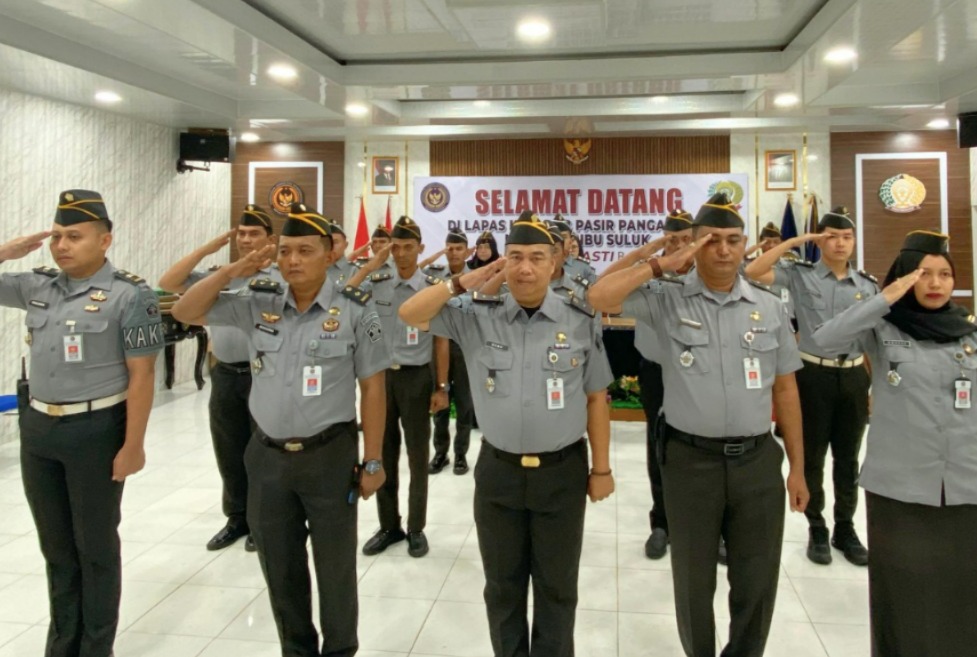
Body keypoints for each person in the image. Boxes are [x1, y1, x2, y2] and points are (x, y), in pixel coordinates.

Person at [588, 193, 809, 657]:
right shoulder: (666, 299)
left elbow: (786, 391)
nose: (723, 250)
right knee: (693, 578)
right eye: (711, 241)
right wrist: (660, 265)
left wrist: (798, 468)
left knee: (757, 578)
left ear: (745, 244)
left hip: (756, 462)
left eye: (732, 240)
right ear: (695, 246)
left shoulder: (767, 307)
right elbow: (597, 295)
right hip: (691, 462)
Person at [171, 202, 388, 657]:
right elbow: (187, 309)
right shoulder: (258, 303)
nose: (292, 261)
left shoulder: (354, 310)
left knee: (335, 570)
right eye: (285, 251)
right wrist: (239, 266)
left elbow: (372, 389)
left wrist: (373, 459)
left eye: (304, 251)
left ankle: (340, 650)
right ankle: (297, 649)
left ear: (330, 254)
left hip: (329, 456)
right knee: (281, 569)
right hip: (267, 458)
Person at [399, 210, 614, 657]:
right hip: (498, 473)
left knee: (558, 589)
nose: (525, 268)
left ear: (555, 263)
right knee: (502, 588)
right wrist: (461, 282)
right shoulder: (477, 314)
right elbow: (409, 313)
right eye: (515, 256)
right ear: (502, 261)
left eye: (537, 257)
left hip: (562, 473)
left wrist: (602, 469)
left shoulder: (579, 317)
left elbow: (597, 397)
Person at [0, 189, 163, 657]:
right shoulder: (37, 286)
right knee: (56, 548)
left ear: (105, 240)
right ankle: (62, 643)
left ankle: (96, 647)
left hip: (96, 431)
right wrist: (6, 252)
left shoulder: (132, 295)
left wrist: (134, 444)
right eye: (55, 237)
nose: (61, 246)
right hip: (40, 430)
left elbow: (143, 375)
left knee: (94, 548)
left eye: (74, 236)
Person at [812, 230, 977, 657]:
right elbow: (823, 341)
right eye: (924, 274)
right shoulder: (882, 329)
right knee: (903, 598)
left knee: (962, 595)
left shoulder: (968, 334)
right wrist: (883, 300)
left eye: (944, 274)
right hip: (900, 491)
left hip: (965, 488)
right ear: (904, 277)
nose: (936, 283)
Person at [745, 206, 877, 566]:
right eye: (831, 236)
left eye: (846, 237)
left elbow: (872, 341)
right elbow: (752, 271)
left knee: (849, 459)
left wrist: (874, 388)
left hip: (852, 376)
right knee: (813, 456)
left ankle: (845, 528)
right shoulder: (800, 274)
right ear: (819, 240)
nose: (839, 243)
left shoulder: (867, 285)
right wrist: (796, 242)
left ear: (854, 242)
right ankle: (816, 526)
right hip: (811, 375)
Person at [158, 203, 280, 553]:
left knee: (262, 453)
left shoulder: (280, 278)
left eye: (254, 233)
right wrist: (208, 250)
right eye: (240, 233)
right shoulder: (219, 276)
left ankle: (262, 520)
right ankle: (237, 518)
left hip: (264, 375)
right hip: (225, 374)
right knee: (228, 450)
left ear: (269, 239)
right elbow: (169, 284)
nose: (245, 239)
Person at [598, 208, 694, 560]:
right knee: (659, 446)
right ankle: (661, 523)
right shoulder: (648, 277)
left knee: (702, 448)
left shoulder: (707, 276)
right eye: (672, 240)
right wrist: (644, 257)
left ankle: (707, 526)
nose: (680, 246)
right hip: (656, 371)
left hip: (699, 373)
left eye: (686, 239)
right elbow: (600, 289)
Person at [359, 215, 449, 558]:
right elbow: (345, 296)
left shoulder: (432, 287)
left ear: (420, 248)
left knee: (416, 455)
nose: (401, 253)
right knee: (382, 454)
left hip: (415, 378)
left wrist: (441, 387)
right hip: (381, 379)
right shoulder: (378, 282)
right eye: (395, 247)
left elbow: (440, 342)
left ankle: (415, 528)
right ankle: (388, 526)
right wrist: (371, 264)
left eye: (408, 247)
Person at [424, 229, 477, 476]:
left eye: (458, 248)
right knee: (440, 400)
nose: (453, 253)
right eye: (450, 248)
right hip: (439, 346)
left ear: (467, 251)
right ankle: (440, 453)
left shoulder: (477, 278)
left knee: (465, 405)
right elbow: (411, 272)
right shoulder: (434, 278)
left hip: (466, 350)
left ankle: (460, 455)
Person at [550, 215, 597, 285]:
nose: (560, 240)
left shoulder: (584, 269)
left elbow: (593, 293)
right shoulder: (541, 265)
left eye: (564, 237)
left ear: (571, 241)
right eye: (556, 236)